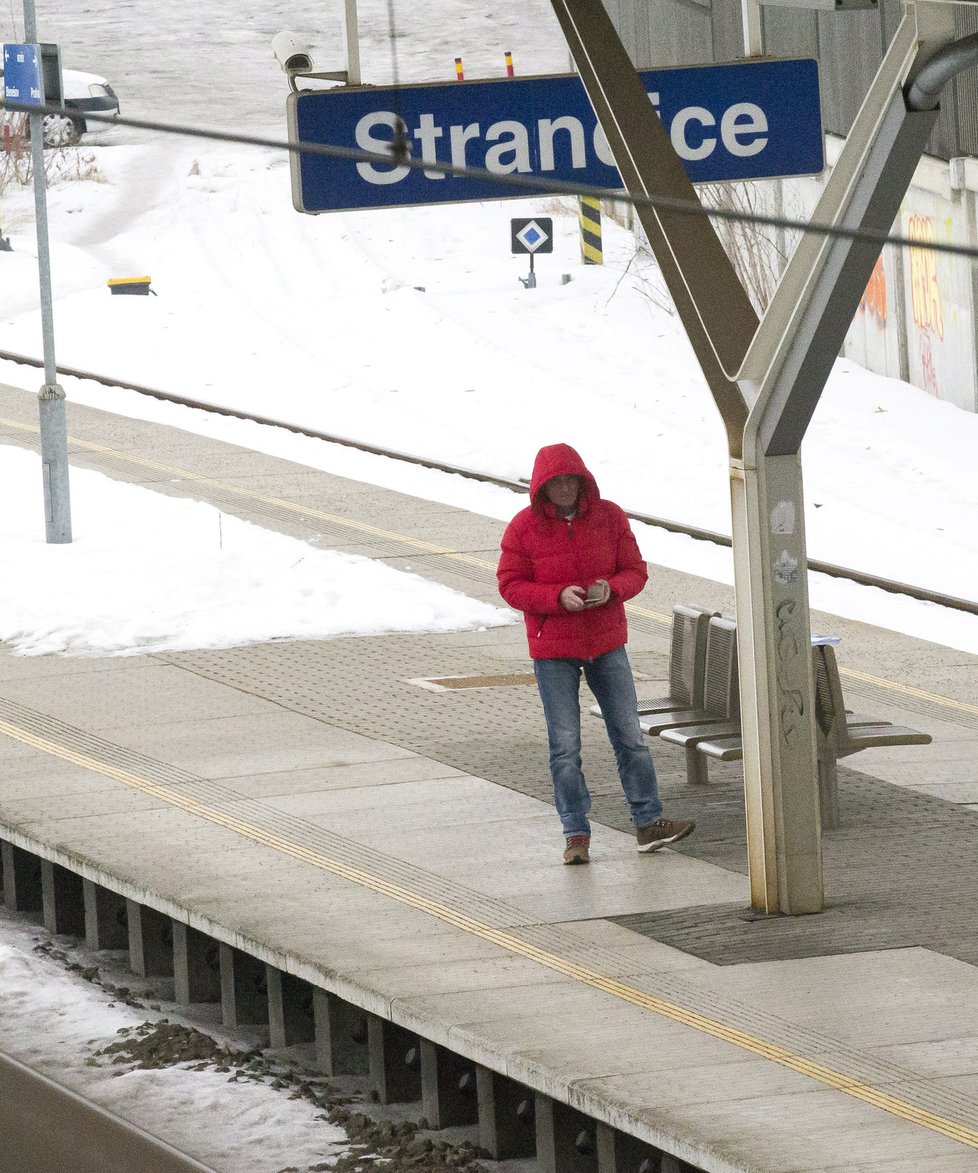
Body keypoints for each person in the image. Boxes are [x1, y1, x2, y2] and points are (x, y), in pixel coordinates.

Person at [497, 443, 695, 865]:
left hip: (606, 642)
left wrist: (613, 588)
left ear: (583, 480)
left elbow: (635, 570)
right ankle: (575, 834)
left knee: (630, 738)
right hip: (554, 649)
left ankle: (648, 822)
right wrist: (555, 597)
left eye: (571, 480)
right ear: (541, 488)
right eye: (556, 483)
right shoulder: (522, 528)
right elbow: (510, 585)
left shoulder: (610, 517)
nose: (565, 488)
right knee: (564, 746)